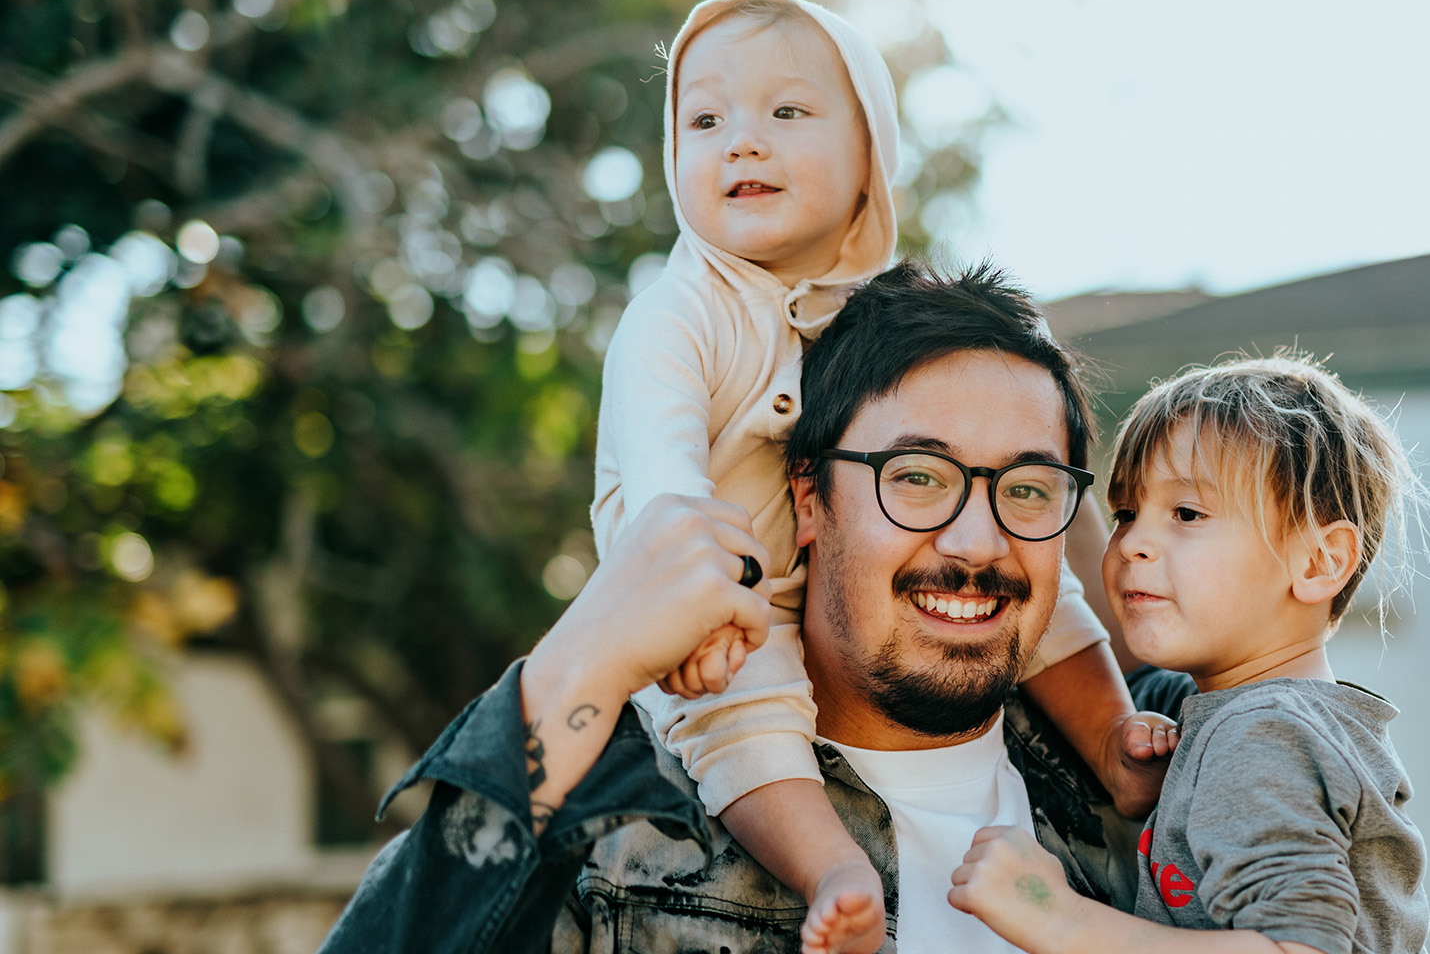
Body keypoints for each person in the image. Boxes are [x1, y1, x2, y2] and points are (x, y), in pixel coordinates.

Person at [319, 263, 1157, 954]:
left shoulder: (1179, 782)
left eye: (1028, 488)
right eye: (916, 479)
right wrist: (584, 657)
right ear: (809, 500)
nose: (977, 543)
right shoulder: (622, 843)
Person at [593, 0, 1169, 948]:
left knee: (1043, 581)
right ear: (812, 490)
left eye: (786, 115)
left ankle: (1112, 740)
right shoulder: (679, 314)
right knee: (745, 719)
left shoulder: (886, 315)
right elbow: (663, 488)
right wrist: (695, 607)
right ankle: (837, 875)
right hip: (720, 612)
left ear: (872, 154)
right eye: (705, 122)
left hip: (787, 588)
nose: (742, 145)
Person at [950, 355, 1430, 954]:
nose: (1131, 543)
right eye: (1127, 513)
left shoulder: (1261, 737)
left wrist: (1058, 918)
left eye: (1187, 513)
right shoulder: (1229, 711)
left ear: (1320, 562)